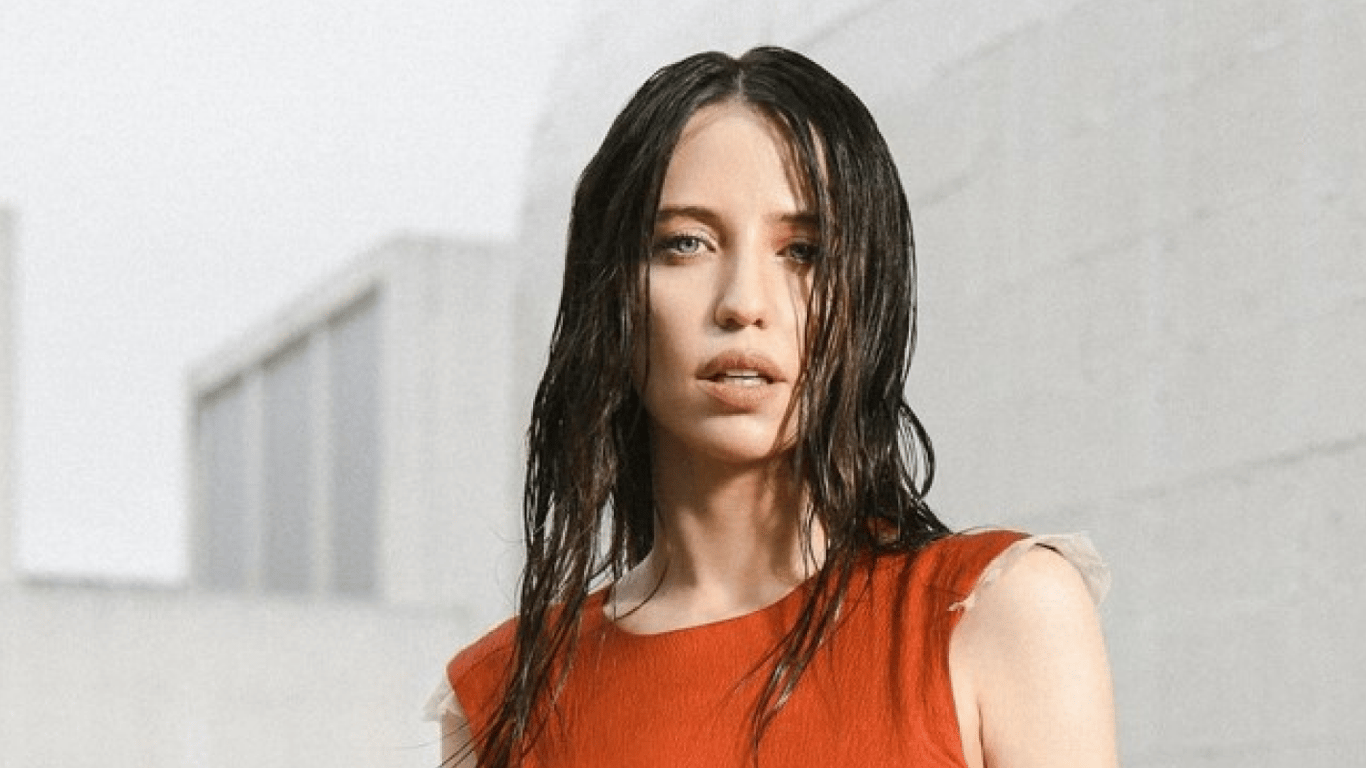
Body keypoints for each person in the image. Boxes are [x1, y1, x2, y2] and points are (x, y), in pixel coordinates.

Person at [427, 46, 1117, 767]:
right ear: (613, 294)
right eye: (685, 244)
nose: (743, 304)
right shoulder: (503, 695)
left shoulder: (998, 613)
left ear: (867, 294)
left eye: (804, 251)